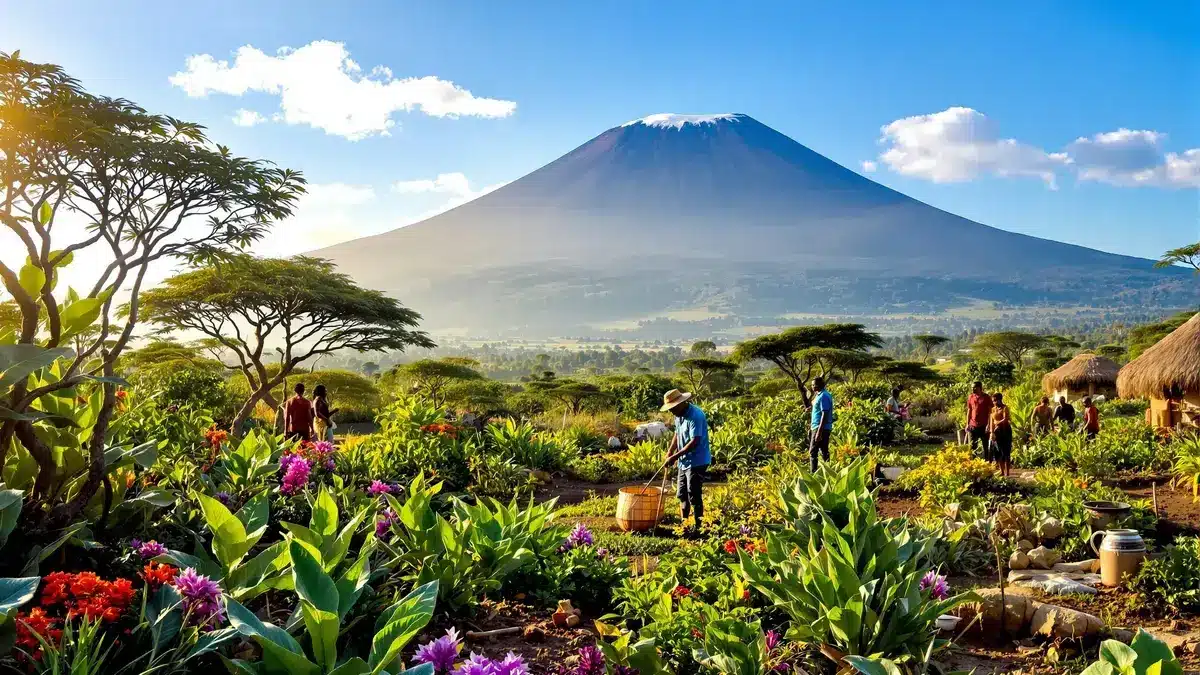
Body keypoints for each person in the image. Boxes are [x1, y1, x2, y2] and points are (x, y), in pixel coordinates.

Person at [660, 389, 710, 536]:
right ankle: (684, 524)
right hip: (684, 461)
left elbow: (695, 441)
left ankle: (698, 527)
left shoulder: (696, 415)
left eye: (673, 408)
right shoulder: (679, 415)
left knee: (693, 493)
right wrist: (670, 451)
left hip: (698, 460)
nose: (672, 411)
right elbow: (677, 433)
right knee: (682, 494)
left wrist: (674, 457)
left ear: (682, 403)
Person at [809, 377, 834, 472]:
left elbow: (825, 413)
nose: (812, 387)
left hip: (820, 427)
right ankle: (828, 471)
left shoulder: (824, 396)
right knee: (824, 450)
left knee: (813, 451)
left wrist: (819, 432)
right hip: (817, 426)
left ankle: (813, 473)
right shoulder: (819, 395)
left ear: (819, 385)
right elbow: (819, 409)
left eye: (813, 385)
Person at [989, 392, 1013, 477]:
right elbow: (991, 421)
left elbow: (1006, 419)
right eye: (993, 401)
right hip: (997, 432)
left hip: (1005, 431)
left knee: (1006, 452)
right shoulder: (993, 409)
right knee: (998, 452)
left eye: (996, 400)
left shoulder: (1005, 408)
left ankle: (1007, 473)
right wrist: (991, 432)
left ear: (1000, 400)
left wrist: (997, 423)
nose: (994, 402)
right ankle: (1002, 471)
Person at [965, 382, 993, 456]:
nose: (973, 389)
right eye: (972, 387)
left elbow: (990, 412)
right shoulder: (971, 397)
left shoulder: (986, 397)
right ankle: (974, 463)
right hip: (973, 425)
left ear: (980, 388)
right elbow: (969, 410)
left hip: (983, 425)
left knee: (986, 446)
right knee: (973, 446)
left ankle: (987, 462)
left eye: (974, 387)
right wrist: (967, 424)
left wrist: (989, 425)